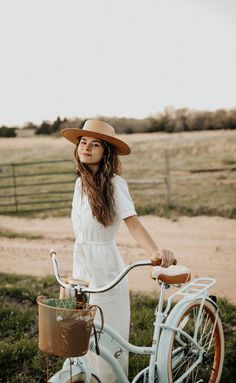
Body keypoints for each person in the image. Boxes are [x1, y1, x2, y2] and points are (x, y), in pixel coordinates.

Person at [61, 119, 175, 382]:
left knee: (105, 334)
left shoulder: (114, 183)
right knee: (81, 332)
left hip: (106, 269)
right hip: (81, 268)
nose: (86, 148)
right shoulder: (80, 184)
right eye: (83, 142)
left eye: (95, 144)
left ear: (105, 152)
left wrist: (157, 252)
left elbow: (132, 223)